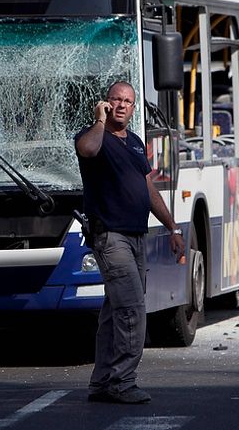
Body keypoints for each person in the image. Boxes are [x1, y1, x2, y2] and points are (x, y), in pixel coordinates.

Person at [74, 81, 185, 405]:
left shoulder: (135, 143)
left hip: (137, 235)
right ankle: (123, 382)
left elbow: (148, 188)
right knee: (133, 309)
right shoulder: (93, 136)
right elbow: (88, 151)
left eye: (128, 102)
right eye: (115, 100)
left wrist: (173, 228)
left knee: (115, 310)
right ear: (106, 103)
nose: (122, 105)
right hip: (111, 236)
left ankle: (102, 382)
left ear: (134, 107)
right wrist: (98, 120)